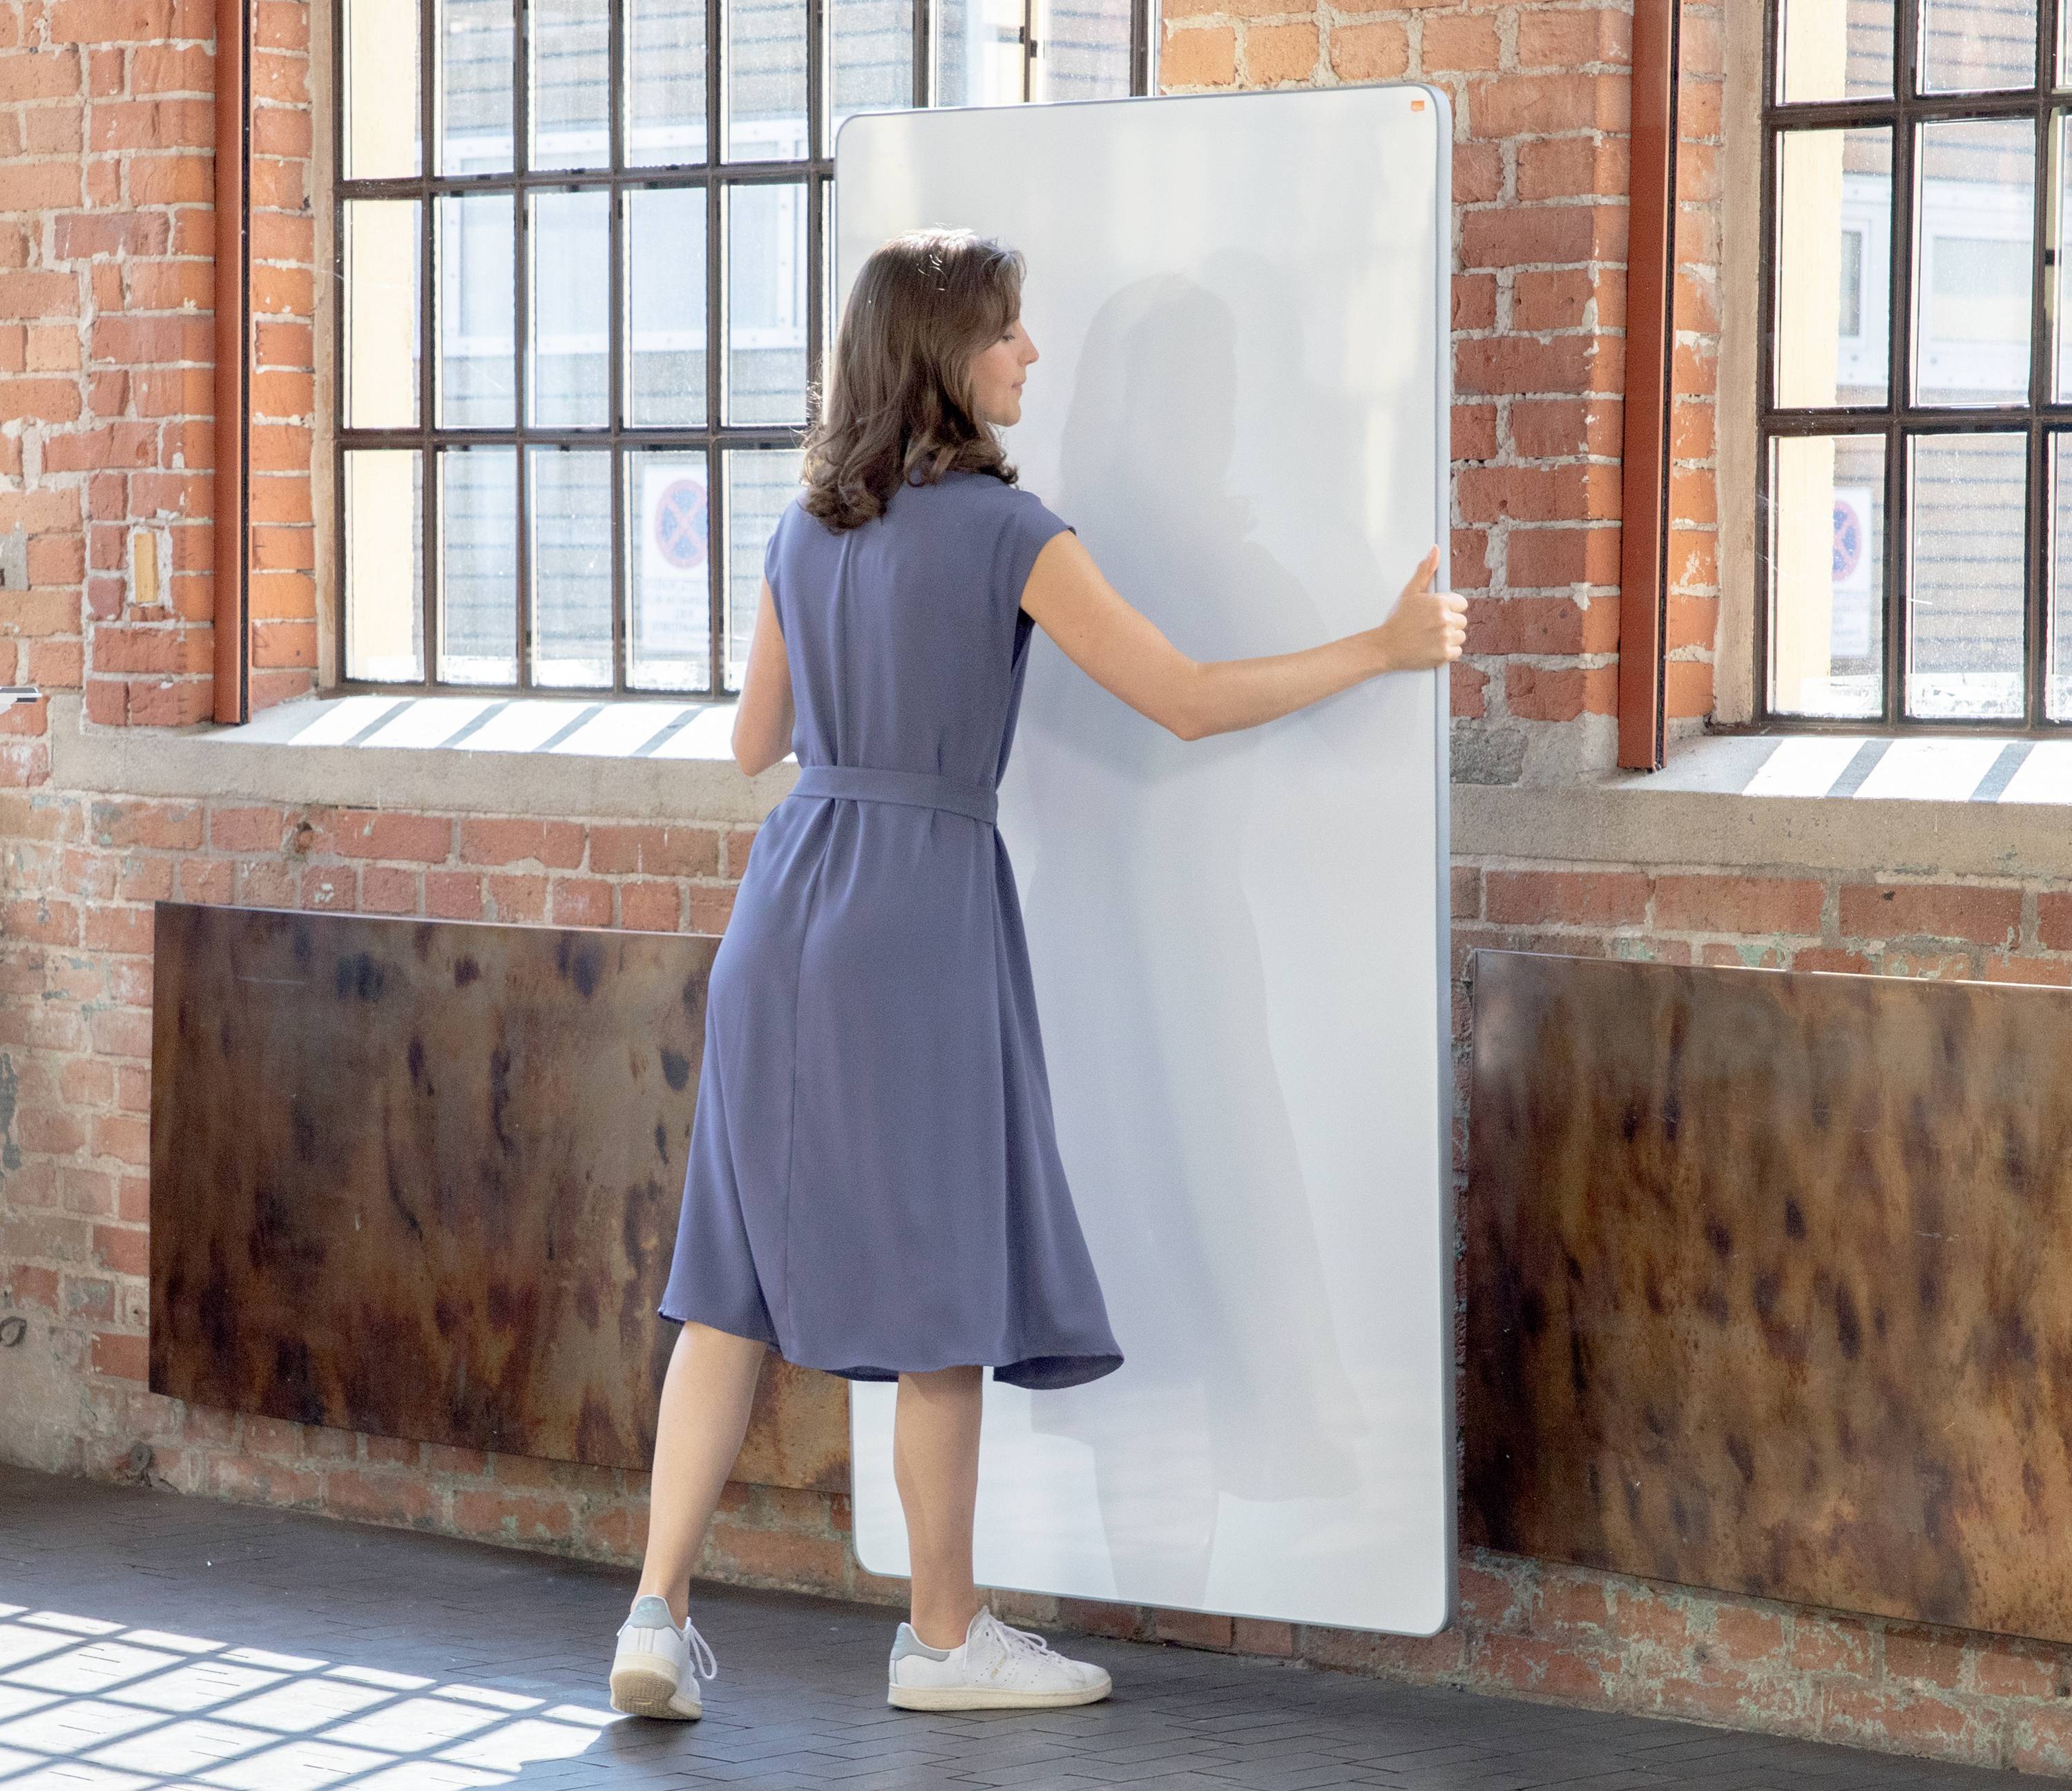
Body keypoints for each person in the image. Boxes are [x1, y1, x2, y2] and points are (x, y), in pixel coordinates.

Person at [606, 227, 1466, 1722]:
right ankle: (943, 1636)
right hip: (918, 914)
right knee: (941, 1283)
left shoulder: (803, 530)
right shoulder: (1012, 531)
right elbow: (1186, 701)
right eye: (1008, 332)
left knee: (728, 1281)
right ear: (947, 353)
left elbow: (756, 746)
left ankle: (654, 1613)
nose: (1030, 354)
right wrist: (1381, 646)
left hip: (787, 900)